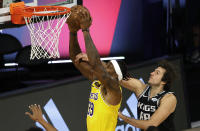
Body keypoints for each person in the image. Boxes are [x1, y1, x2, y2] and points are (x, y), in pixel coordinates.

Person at [66, 5, 129, 131]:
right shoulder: (98, 80)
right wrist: (72, 33)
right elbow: (75, 58)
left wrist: (85, 30)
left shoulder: (115, 89)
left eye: (109, 66)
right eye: (107, 64)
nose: (105, 66)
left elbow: (96, 64)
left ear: (115, 76)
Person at [118, 60, 177, 131]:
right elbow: (117, 79)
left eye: (157, 73)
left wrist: (122, 116)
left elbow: (150, 125)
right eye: (154, 71)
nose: (152, 73)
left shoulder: (169, 98)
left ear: (164, 81)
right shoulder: (141, 88)